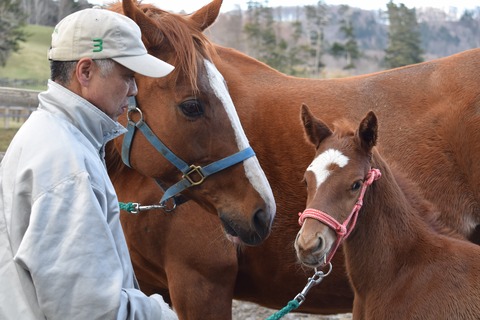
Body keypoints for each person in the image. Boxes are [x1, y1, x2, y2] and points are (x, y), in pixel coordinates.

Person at [0, 7, 178, 320]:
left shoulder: (48, 133)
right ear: (85, 72)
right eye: (127, 77)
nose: (134, 90)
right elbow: (92, 310)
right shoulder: (67, 166)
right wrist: (161, 314)